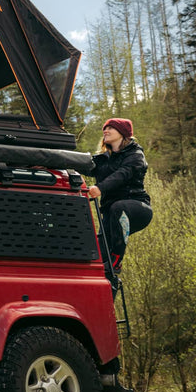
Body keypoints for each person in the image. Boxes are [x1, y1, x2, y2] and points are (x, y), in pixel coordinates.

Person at [87, 118, 152, 275]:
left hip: (137, 208)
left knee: (118, 207)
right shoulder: (102, 159)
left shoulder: (136, 155)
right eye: (105, 128)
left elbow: (122, 174)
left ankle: (116, 260)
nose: (105, 130)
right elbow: (79, 163)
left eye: (110, 128)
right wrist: (49, 164)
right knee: (97, 255)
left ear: (122, 133)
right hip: (111, 216)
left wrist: (100, 188)